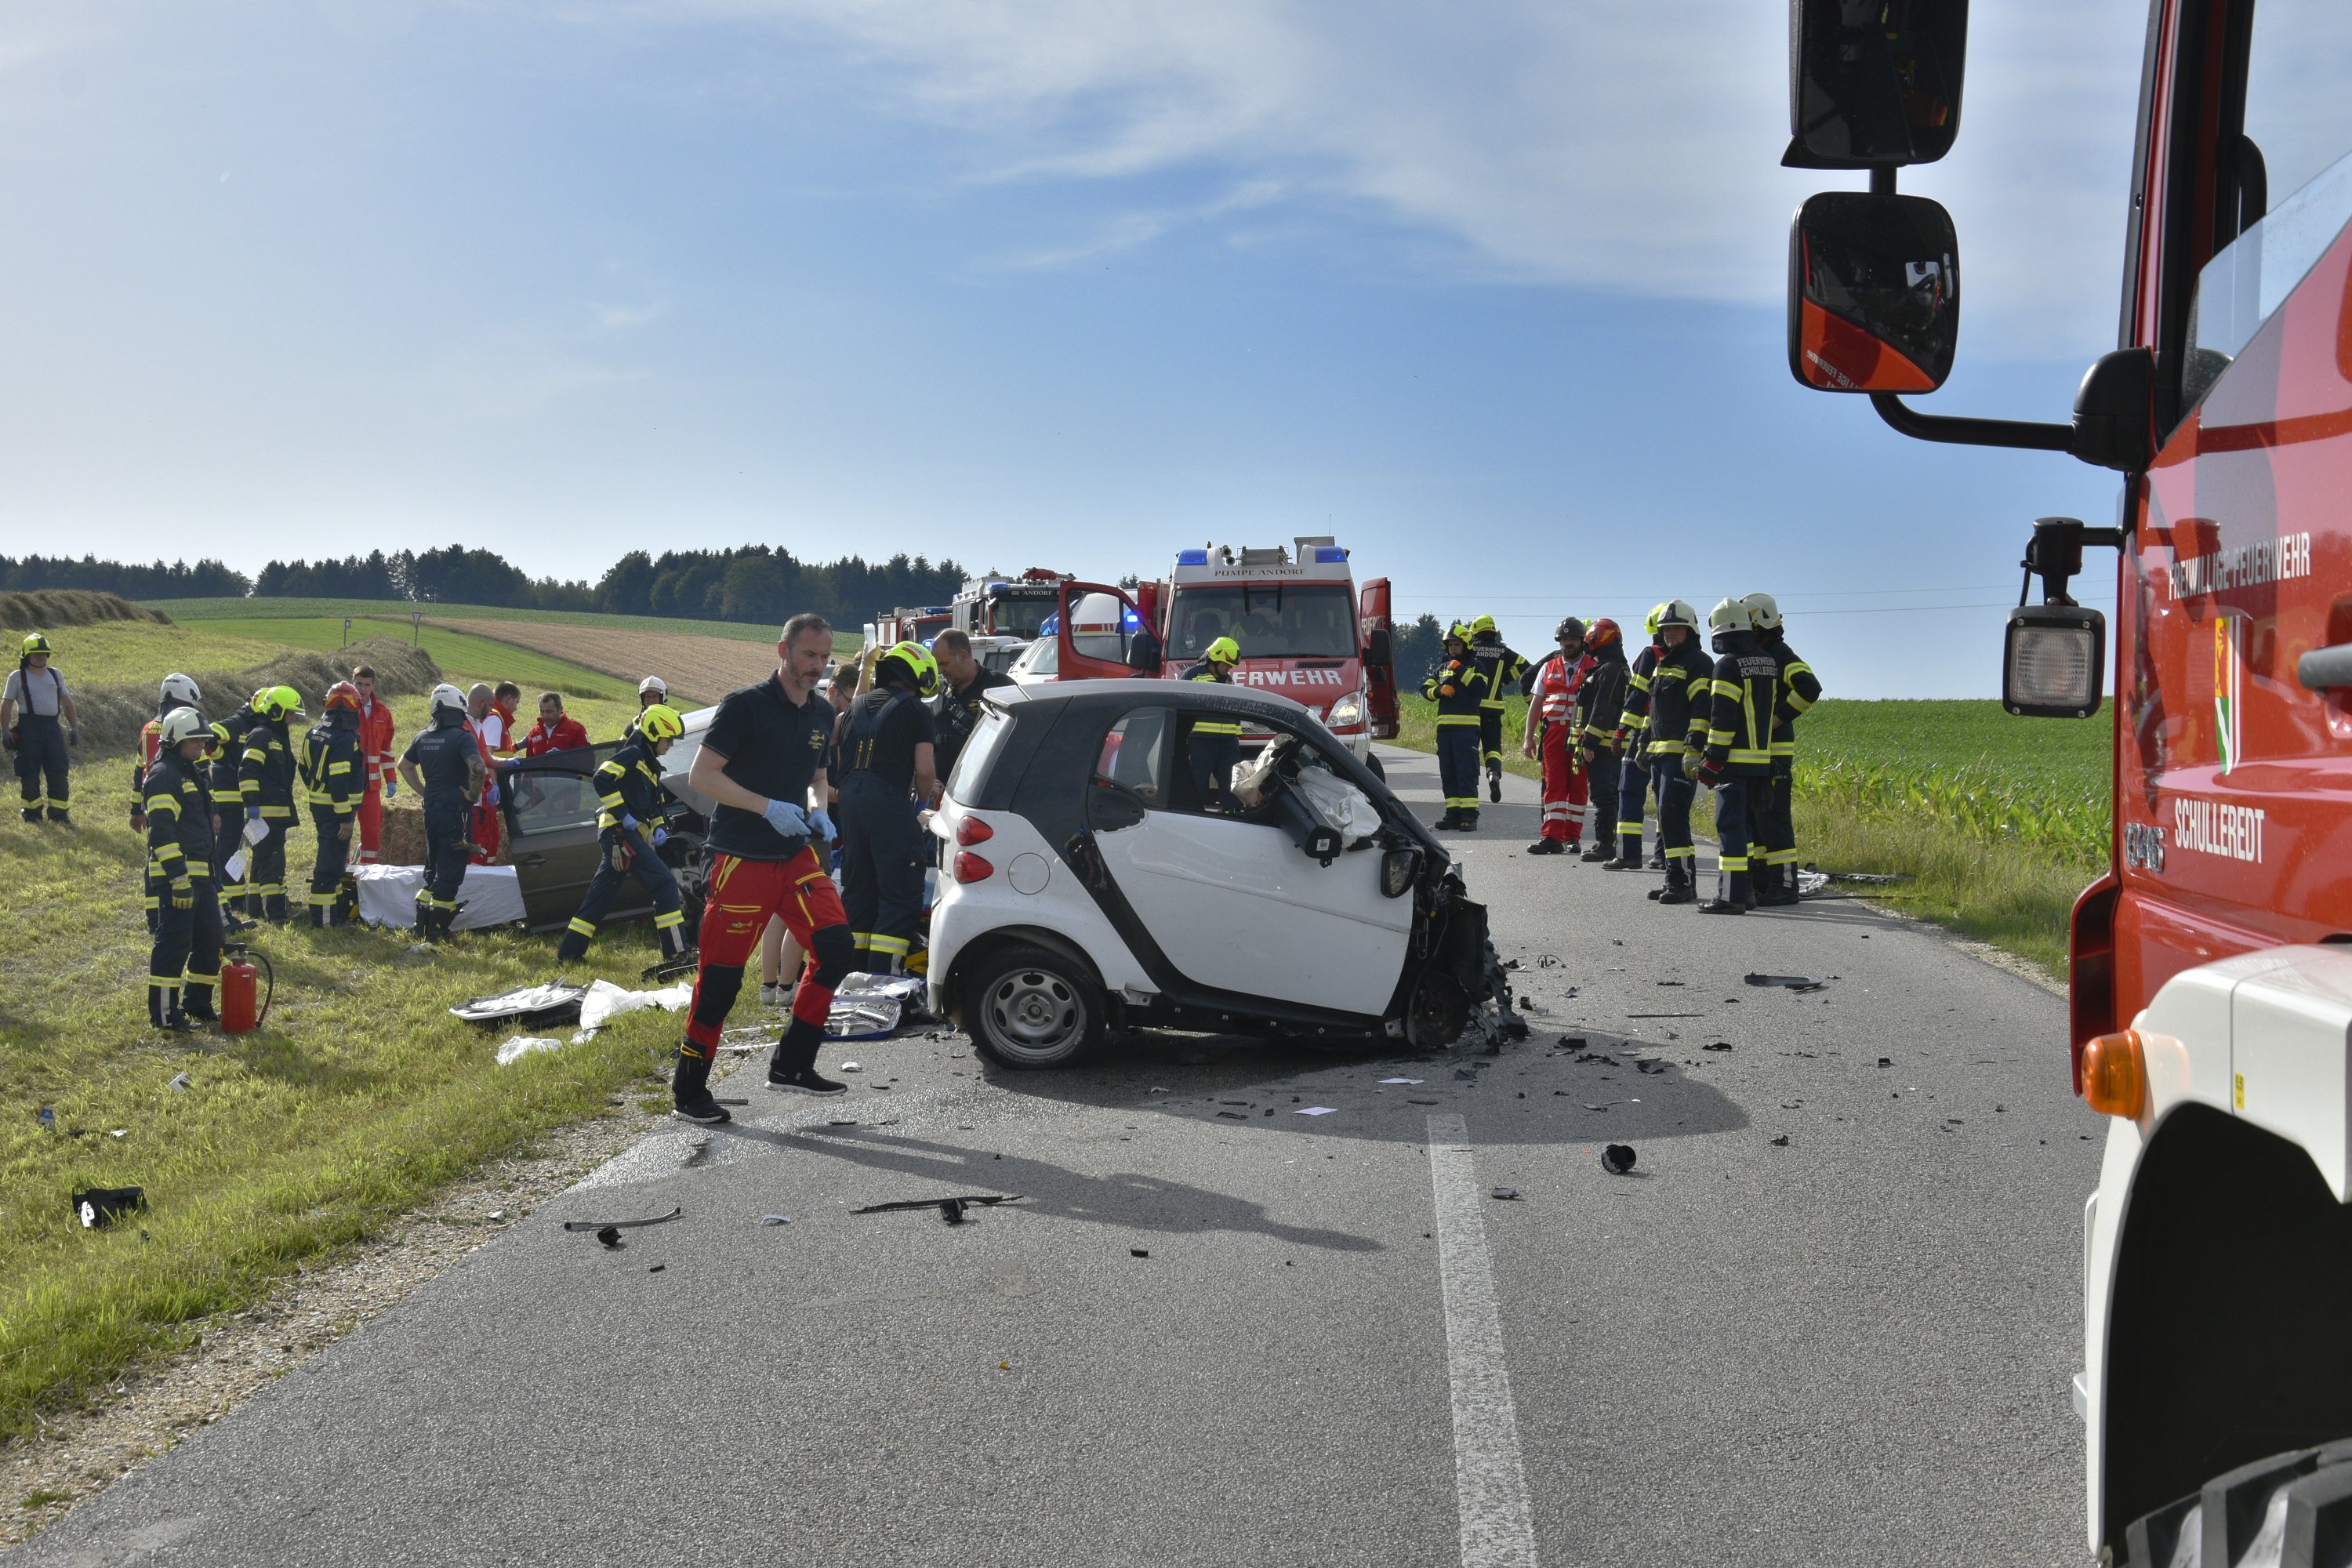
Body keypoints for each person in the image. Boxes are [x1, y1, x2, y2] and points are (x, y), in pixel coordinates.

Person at [673, 612, 855, 1123]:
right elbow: (702, 776)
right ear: (783, 651)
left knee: (837, 948)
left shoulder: (822, 714)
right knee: (721, 983)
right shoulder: (745, 706)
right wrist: (766, 807)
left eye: (824, 657)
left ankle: (793, 1064)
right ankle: (689, 1091)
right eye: (807, 656)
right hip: (741, 858)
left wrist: (818, 811)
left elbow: (817, 777)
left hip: (795, 855)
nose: (817, 667)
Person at [556, 704, 691, 964]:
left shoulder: (650, 766)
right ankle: (677, 953)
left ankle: (569, 954)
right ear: (653, 734)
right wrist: (624, 815)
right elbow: (601, 778)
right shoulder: (632, 755)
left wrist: (658, 827)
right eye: (669, 738)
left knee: (600, 896)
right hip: (620, 834)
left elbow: (649, 807)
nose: (671, 745)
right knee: (664, 883)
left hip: (623, 836)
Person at [835, 641, 939, 974]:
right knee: (899, 894)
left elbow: (839, 756)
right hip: (891, 807)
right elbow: (924, 771)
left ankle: (851, 975)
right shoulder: (918, 711)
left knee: (859, 892)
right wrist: (921, 803)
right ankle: (883, 981)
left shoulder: (855, 706)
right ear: (921, 677)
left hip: (850, 806)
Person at [1692, 599, 1782, 914]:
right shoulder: (1768, 661)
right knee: (1745, 830)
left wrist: (1712, 762)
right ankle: (1746, 893)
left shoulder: (1727, 665)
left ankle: (1730, 898)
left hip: (1733, 763)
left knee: (1730, 829)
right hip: (1760, 762)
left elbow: (1723, 719)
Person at [143, 708, 224, 1033]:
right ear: (175, 739)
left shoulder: (190, 772)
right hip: (178, 878)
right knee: (175, 945)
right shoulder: (164, 776)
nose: (202, 745)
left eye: (204, 740)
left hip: (201, 876)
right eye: (196, 740)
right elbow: (161, 835)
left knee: (211, 940)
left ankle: (197, 1003)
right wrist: (178, 878)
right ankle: (165, 1015)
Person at [1744, 592, 1822, 907]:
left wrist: (1778, 717)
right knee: (1758, 821)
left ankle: (1785, 886)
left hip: (1774, 753)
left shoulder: (1779, 653)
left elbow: (1810, 687)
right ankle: (1766, 883)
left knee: (1773, 820)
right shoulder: (1762, 654)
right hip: (1758, 753)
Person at [1638, 601, 1711, 905]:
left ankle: (1682, 883)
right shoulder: (1662, 663)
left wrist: (1694, 749)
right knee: (1666, 819)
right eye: (1666, 629)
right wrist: (1643, 739)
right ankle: (1675, 879)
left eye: (1676, 628)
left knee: (1673, 815)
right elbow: (1653, 709)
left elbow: (1702, 708)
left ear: (1690, 630)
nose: (1669, 633)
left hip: (1681, 757)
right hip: (1660, 754)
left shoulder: (1699, 663)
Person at [398, 684, 485, 942]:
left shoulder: (422, 737)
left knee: (432, 867)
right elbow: (478, 768)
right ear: (458, 707)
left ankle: (421, 927)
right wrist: (472, 794)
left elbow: (404, 766)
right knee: (450, 871)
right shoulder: (462, 737)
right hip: (455, 812)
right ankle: (438, 933)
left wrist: (425, 792)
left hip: (432, 809)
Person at [133, 673, 205, 929]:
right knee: (175, 856)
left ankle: (154, 918)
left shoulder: (147, 729)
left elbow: (139, 769)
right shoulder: (184, 730)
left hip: (151, 802)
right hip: (181, 800)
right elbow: (202, 772)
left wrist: (136, 809)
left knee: (155, 857)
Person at [1604, 605, 1670, 872]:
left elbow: (1637, 695)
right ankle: (1663, 855)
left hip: (1644, 732)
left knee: (1629, 790)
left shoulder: (1650, 654)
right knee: (1665, 796)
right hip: (1670, 735)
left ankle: (1629, 853)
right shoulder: (1688, 658)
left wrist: (1620, 732)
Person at [298, 682, 367, 927]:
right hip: (337, 810)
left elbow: (303, 767)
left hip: (320, 804)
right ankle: (324, 921)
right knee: (329, 865)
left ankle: (336, 914)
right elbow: (339, 781)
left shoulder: (314, 732)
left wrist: (318, 790)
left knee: (337, 863)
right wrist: (346, 817)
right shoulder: (345, 739)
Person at [237, 684, 305, 924]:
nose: (293, 719)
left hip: (276, 812)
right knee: (273, 863)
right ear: (276, 711)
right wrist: (252, 804)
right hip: (264, 813)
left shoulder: (277, 737)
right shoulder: (262, 735)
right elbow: (247, 771)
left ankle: (255, 908)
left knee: (261, 861)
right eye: (290, 713)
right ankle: (276, 915)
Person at [1522, 618, 1591, 855]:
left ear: (1582, 641)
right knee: (1554, 785)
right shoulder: (1548, 667)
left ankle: (1572, 837)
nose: (1568, 643)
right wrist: (1528, 737)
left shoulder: (1593, 666)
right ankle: (1551, 836)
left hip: (1582, 735)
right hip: (1553, 732)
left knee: (1579, 786)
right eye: (1564, 639)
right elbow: (1536, 704)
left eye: (1573, 639)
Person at [4, 633, 78, 825]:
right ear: (26, 656)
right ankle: (31, 814)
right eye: (36, 655)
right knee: (29, 772)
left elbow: (67, 703)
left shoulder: (56, 674)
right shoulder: (16, 677)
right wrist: (4, 730)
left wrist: (74, 727)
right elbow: (6, 705)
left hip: (52, 729)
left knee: (59, 771)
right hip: (29, 730)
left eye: (45, 654)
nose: (41, 658)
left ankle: (59, 814)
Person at [1573, 619, 1630, 862]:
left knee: (1604, 795)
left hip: (1604, 746)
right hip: (1609, 744)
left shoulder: (1609, 670)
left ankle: (1605, 845)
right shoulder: (1615, 668)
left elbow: (1603, 708)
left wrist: (1589, 742)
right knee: (1608, 795)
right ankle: (1607, 843)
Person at [1424, 624, 1489, 831]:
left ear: (1466, 645)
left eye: (1456, 645)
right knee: (1448, 773)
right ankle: (1452, 815)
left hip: (1466, 730)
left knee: (1466, 773)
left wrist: (1460, 670)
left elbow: (1480, 688)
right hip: (1445, 731)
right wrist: (1439, 690)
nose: (1453, 649)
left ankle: (1469, 816)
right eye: (1450, 645)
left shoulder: (1477, 666)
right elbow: (1424, 690)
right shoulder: (1441, 667)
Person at [931, 629, 1014, 792]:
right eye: (936, 664)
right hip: (944, 797)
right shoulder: (938, 692)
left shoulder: (1000, 687)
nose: (940, 671)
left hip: (983, 794)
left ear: (962, 656)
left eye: (944, 664)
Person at [1468, 615, 1530, 804]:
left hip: (1471, 710)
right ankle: (1493, 774)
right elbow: (1525, 666)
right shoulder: (1503, 651)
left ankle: (1470, 788)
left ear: (1475, 631)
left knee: (1470, 749)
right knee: (1493, 748)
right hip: (1494, 710)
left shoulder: (1471, 649)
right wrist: (1504, 678)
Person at [1180, 634, 1243, 811]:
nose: (1229, 668)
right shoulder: (1192, 676)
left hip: (1228, 744)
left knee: (1232, 782)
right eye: (1227, 664)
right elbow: (1179, 708)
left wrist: (1236, 737)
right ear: (1214, 659)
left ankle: (1233, 815)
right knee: (1196, 781)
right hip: (1201, 741)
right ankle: (1193, 815)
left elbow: (1234, 712)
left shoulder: (1228, 681)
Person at [350, 666, 397, 866]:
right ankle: (339, 873)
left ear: (373, 686)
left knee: (372, 833)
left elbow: (386, 749)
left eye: (366, 685)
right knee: (342, 830)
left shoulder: (383, 713)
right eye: (359, 684)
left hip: (371, 785)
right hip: (347, 783)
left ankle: (366, 874)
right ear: (353, 683)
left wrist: (391, 780)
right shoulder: (345, 709)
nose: (362, 689)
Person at [205, 719, 249, 931]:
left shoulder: (247, 728)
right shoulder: (235, 725)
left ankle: (237, 899)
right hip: (226, 799)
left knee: (234, 848)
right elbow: (211, 735)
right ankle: (232, 900)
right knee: (228, 849)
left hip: (236, 799)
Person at [464, 684, 502, 863]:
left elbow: (486, 758)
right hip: (475, 801)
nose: (493, 709)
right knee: (478, 849)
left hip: (483, 798)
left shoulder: (476, 725)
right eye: (491, 705)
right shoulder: (464, 728)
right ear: (481, 704)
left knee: (490, 842)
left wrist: (510, 763)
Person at [518, 691, 591, 756]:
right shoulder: (534, 732)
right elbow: (530, 764)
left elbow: (589, 761)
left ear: (560, 709)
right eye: (542, 711)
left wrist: (563, 758)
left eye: (549, 711)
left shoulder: (576, 730)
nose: (545, 716)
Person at [623, 676, 670, 741]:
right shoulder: (635, 723)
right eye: (648, 696)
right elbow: (622, 746)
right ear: (643, 699)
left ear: (662, 698)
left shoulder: (672, 720)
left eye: (654, 696)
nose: (651, 700)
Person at [488, 682, 522, 757]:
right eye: (517, 702)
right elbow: (487, 755)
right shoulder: (494, 719)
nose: (516, 708)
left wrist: (519, 745)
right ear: (509, 699)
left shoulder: (497, 717)